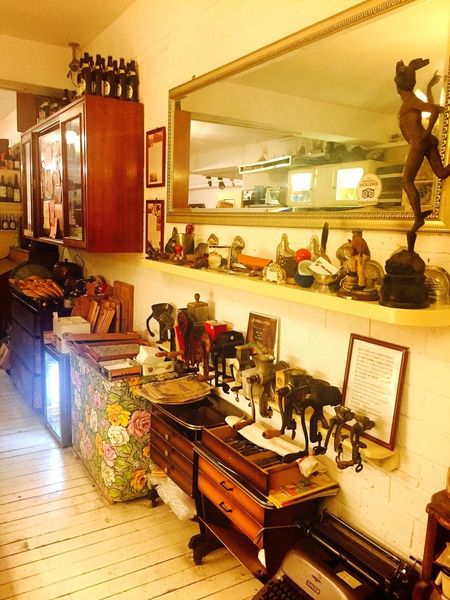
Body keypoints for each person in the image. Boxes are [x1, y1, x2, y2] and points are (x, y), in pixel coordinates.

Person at [395, 58, 450, 237]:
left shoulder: (410, 101)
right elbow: (431, 107)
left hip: (419, 143)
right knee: (441, 173)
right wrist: (429, 87)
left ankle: (418, 218)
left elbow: (433, 110)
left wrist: (426, 132)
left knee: (406, 181)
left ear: (399, 87)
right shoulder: (411, 101)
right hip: (425, 141)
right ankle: (418, 217)